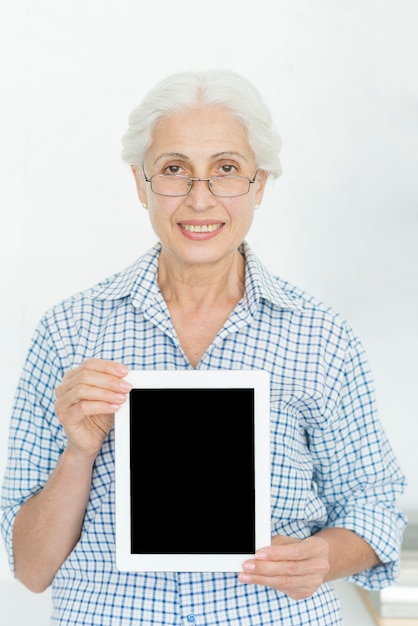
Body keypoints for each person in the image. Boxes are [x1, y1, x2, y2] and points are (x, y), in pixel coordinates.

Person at [1, 69, 407, 626]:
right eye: (174, 170)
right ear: (141, 185)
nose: (199, 199)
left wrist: (326, 556)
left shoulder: (321, 336)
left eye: (226, 170)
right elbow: (30, 569)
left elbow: (375, 503)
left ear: (259, 184)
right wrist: (79, 451)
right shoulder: (68, 332)